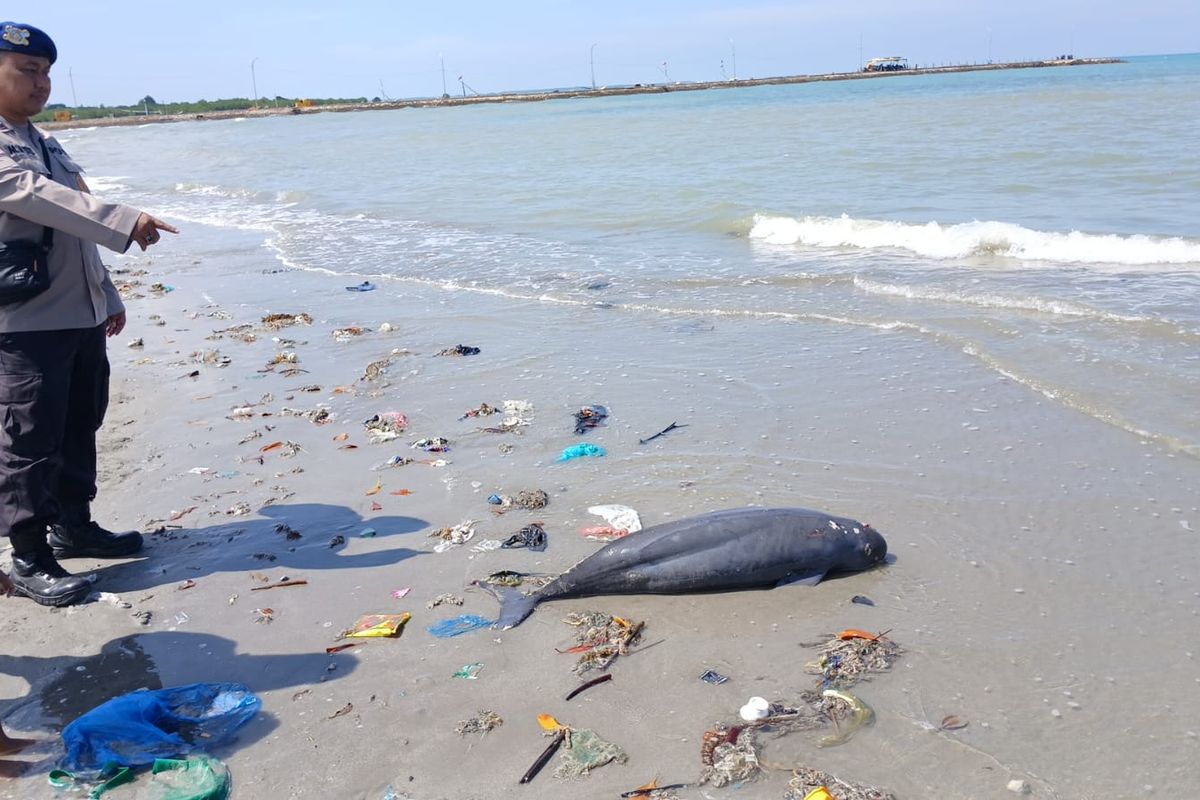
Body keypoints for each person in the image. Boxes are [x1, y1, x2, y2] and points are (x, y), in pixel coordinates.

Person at [0, 22, 177, 606]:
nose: (41, 83)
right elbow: (35, 196)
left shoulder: (45, 141)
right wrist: (125, 219)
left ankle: (73, 525)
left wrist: (107, 294)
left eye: (46, 72)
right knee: (29, 438)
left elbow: (73, 228)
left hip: (78, 312)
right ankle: (28, 556)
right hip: (24, 321)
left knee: (81, 421)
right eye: (27, 70)